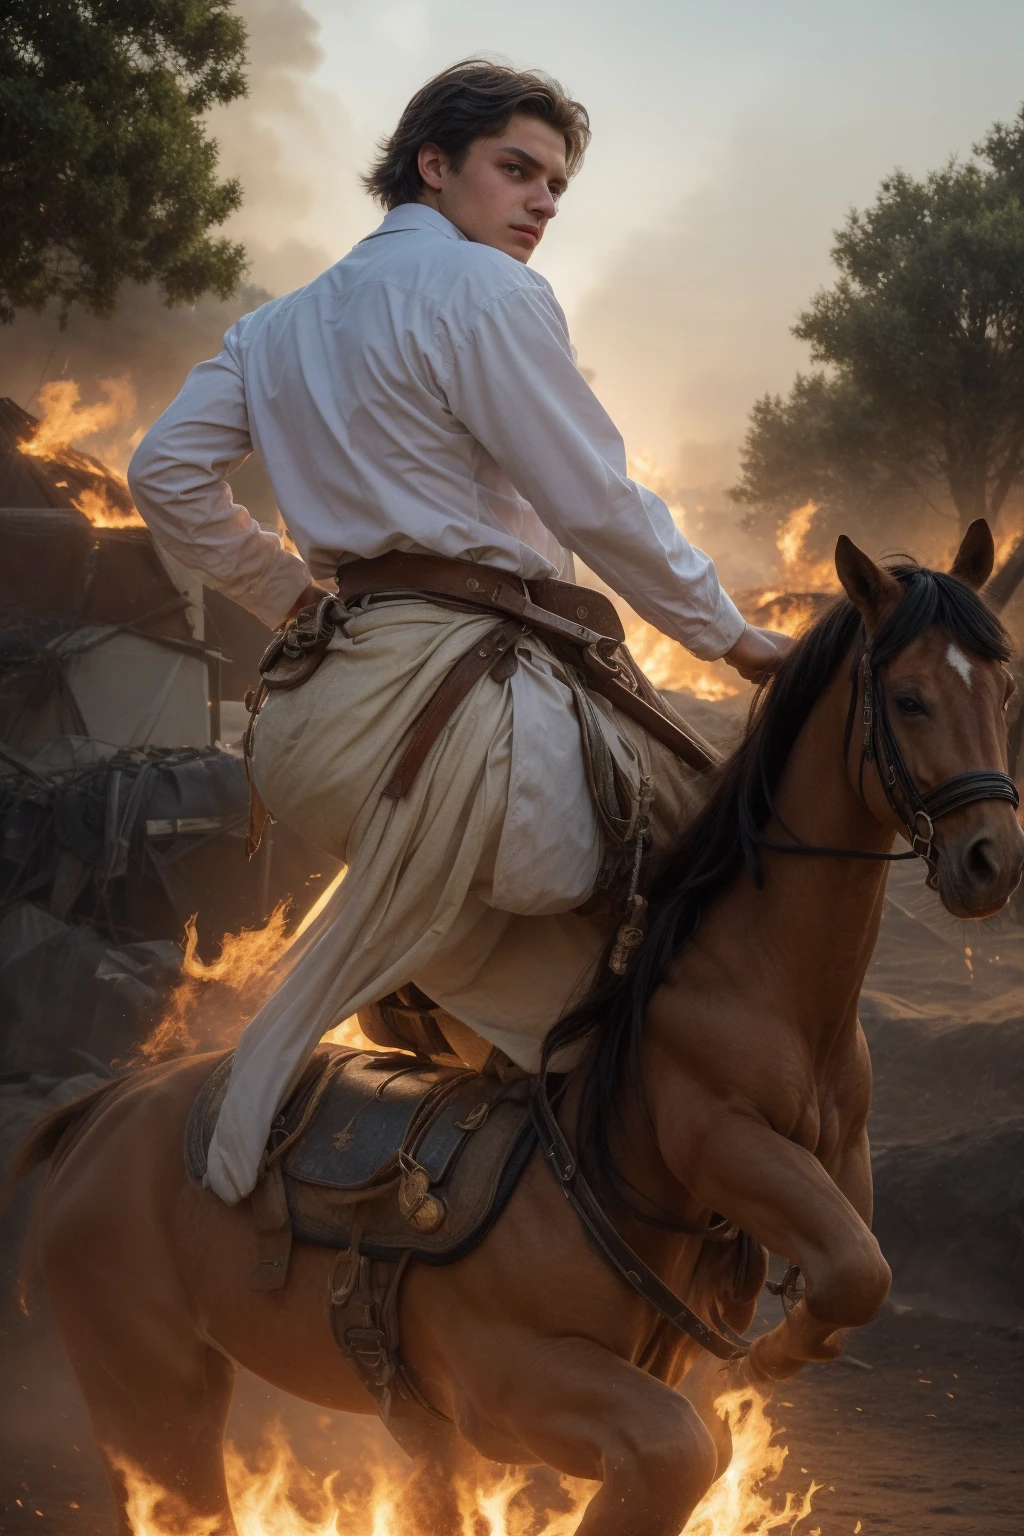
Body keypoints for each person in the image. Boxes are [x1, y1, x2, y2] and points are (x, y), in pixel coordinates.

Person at [128, 59, 791, 1205]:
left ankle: (476, 1072)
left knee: (526, 942)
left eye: (555, 187)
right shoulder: (489, 293)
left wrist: (294, 599)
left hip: (312, 734)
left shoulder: (271, 330)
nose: (539, 202)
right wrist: (729, 636)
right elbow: (594, 500)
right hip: (469, 709)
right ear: (433, 167)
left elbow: (163, 475)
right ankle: (688, 1138)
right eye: (516, 170)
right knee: (721, 842)